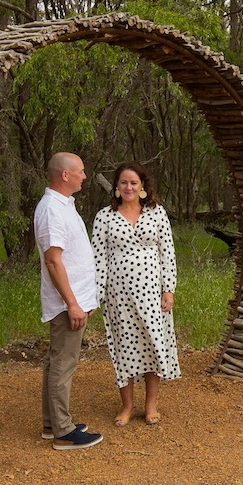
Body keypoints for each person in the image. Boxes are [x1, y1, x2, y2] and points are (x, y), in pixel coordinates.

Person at [92, 162, 180, 426]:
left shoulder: (156, 213)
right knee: (124, 348)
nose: (128, 187)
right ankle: (127, 406)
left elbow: (168, 252)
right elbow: (98, 259)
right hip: (118, 295)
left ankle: (150, 405)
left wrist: (169, 289)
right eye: (123, 182)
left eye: (133, 183)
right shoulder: (104, 216)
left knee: (153, 345)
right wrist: (96, 296)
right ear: (116, 186)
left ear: (143, 186)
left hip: (152, 293)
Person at [33, 152, 103, 450]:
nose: (84, 176)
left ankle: (53, 423)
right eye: (81, 171)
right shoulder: (52, 209)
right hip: (66, 304)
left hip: (73, 300)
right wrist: (73, 304)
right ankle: (63, 431)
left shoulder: (63, 206)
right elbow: (53, 262)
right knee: (64, 362)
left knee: (56, 361)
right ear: (65, 175)